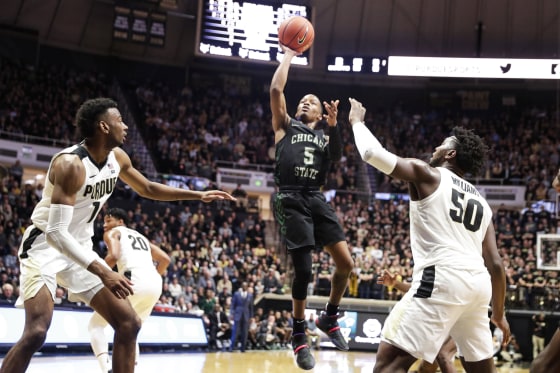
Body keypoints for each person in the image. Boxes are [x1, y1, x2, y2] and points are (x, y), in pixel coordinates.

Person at [0, 97, 235, 373]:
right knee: (37, 332)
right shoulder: (70, 165)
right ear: (103, 127)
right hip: (44, 247)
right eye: (120, 121)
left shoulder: (118, 158)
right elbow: (56, 234)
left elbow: (147, 188)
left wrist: (197, 195)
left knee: (129, 322)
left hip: (79, 248)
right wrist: (104, 271)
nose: (125, 126)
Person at [347, 98, 510, 373]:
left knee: (388, 365)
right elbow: (496, 265)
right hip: (478, 288)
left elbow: (372, 154)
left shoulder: (428, 174)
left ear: (450, 154)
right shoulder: (482, 202)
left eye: (443, 144)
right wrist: (499, 313)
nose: (436, 147)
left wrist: (356, 122)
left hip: (442, 278)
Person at [270, 45, 354, 370]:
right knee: (303, 271)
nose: (305, 102)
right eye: (302, 99)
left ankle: (329, 317)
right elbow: (277, 89)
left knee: (346, 264)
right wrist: (290, 55)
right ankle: (298, 334)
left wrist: (334, 127)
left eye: (313, 102)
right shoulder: (285, 126)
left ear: (320, 114)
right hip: (291, 197)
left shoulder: (323, 135)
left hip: (316, 197)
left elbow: (336, 156)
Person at [88, 208, 171, 373]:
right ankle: (130, 368)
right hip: (155, 284)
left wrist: (98, 274)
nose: (105, 225)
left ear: (120, 222)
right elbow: (165, 259)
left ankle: (106, 369)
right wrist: (152, 276)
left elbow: (113, 256)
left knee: (95, 325)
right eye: (104, 222)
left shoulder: (113, 233)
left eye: (109, 220)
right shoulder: (142, 237)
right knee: (132, 328)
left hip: (133, 281)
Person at [377, 269, 458, 373]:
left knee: (442, 356)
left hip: (449, 309)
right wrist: (396, 284)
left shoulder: (443, 262)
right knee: (431, 364)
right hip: (465, 305)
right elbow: (420, 287)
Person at [229, 281, 253, 352]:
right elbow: (233, 305)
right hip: (237, 314)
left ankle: (243, 348)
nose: (244, 287)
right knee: (235, 332)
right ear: (241, 286)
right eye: (243, 285)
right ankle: (232, 347)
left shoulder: (250, 295)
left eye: (246, 286)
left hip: (246, 315)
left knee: (245, 332)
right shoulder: (236, 294)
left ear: (247, 287)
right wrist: (232, 314)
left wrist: (251, 317)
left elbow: (251, 307)